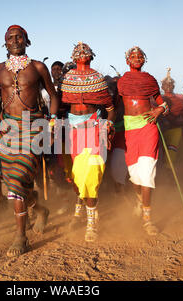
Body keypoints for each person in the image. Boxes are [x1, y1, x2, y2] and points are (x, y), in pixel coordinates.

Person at [0, 25, 60, 257]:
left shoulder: (38, 67)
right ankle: (42, 209)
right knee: (16, 185)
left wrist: (53, 120)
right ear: (5, 43)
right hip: (7, 130)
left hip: (32, 127)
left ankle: (21, 238)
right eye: (10, 38)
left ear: (27, 41)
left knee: (17, 182)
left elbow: (53, 96)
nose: (15, 40)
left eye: (19, 37)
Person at [60, 42, 115, 242]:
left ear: (91, 56)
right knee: (77, 178)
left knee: (91, 175)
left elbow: (110, 108)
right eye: (78, 51)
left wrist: (108, 124)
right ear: (74, 57)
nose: (82, 53)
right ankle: (88, 208)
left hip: (94, 128)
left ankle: (91, 223)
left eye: (85, 51)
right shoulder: (67, 79)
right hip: (74, 131)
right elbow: (61, 104)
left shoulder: (98, 78)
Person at [117, 46, 169, 236]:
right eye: (133, 56)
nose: (136, 58)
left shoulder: (149, 80)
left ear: (144, 60)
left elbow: (163, 103)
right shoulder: (121, 82)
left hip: (148, 126)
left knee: (147, 173)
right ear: (127, 60)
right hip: (130, 129)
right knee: (135, 176)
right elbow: (112, 106)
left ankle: (148, 220)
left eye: (139, 56)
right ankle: (140, 200)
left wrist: (159, 110)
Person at [160, 68, 183, 169]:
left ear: (173, 86)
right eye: (166, 85)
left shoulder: (180, 99)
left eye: (170, 85)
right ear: (162, 87)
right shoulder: (158, 100)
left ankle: (169, 170)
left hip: (176, 129)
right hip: (163, 129)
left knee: (172, 149)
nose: (168, 86)